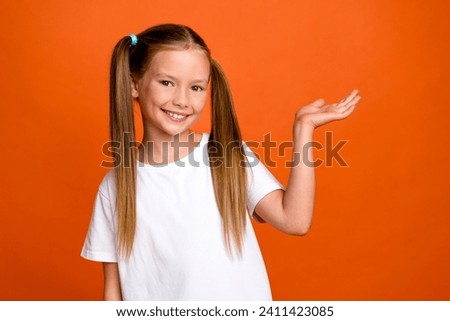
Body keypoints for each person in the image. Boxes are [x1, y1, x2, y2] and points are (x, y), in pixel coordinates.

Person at [81, 23, 361, 301]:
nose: (182, 100)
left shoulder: (225, 156)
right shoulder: (115, 187)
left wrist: (304, 130)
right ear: (134, 85)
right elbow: (114, 291)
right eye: (167, 82)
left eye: (196, 87)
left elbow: (295, 221)